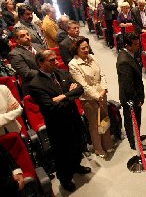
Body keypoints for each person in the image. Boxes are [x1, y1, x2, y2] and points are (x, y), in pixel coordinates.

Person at [29, 50, 90, 192]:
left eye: (56, 59)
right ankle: (65, 179)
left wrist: (63, 96)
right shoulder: (36, 84)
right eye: (51, 60)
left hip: (74, 119)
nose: (57, 62)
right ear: (41, 63)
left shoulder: (62, 73)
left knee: (77, 147)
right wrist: (70, 95)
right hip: (58, 126)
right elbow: (51, 107)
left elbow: (80, 89)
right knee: (63, 155)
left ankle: (77, 166)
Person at [68, 37, 114, 159]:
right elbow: (83, 85)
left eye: (87, 47)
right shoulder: (73, 64)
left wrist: (104, 89)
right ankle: (98, 148)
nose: (86, 50)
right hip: (89, 99)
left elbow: (102, 74)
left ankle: (107, 142)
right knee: (94, 124)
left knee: (104, 120)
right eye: (82, 48)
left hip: (101, 93)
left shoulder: (92, 57)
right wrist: (97, 96)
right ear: (76, 49)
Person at [116, 33, 146, 151]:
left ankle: (137, 136)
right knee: (132, 121)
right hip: (130, 98)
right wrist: (137, 100)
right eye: (135, 44)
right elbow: (128, 86)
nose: (138, 46)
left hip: (134, 95)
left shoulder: (129, 54)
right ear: (127, 45)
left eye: (138, 43)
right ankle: (134, 143)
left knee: (137, 119)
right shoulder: (124, 60)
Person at [9, 28, 44, 96]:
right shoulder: (14, 54)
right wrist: (46, 72)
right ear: (16, 40)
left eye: (28, 34)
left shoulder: (38, 46)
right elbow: (26, 73)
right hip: (34, 85)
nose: (27, 37)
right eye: (23, 36)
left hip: (49, 79)